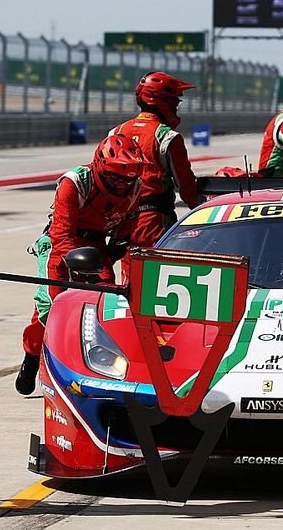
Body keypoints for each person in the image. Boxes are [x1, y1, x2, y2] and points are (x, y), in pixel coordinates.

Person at [15, 135, 144, 395]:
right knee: (48, 307)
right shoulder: (74, 183)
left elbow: (127, 227)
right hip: (60, 243)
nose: (121, 185)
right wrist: (71, 278)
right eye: (115, 178)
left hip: (97, 248)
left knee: (109, 304)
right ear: (100, 166)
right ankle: (32, 358)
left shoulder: (135, 187)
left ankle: (101, 367)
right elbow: (61, 235)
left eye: (127, 179)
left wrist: (111, 253)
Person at [111, 72, 202, 279]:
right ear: (161, 102)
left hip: (122, 223)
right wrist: (206, 211)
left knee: (129, 283)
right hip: (154, 222)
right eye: (174, 102)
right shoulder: (167, 137)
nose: (176, 107)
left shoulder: (116, 132)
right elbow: (187, 188)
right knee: (158, 282)